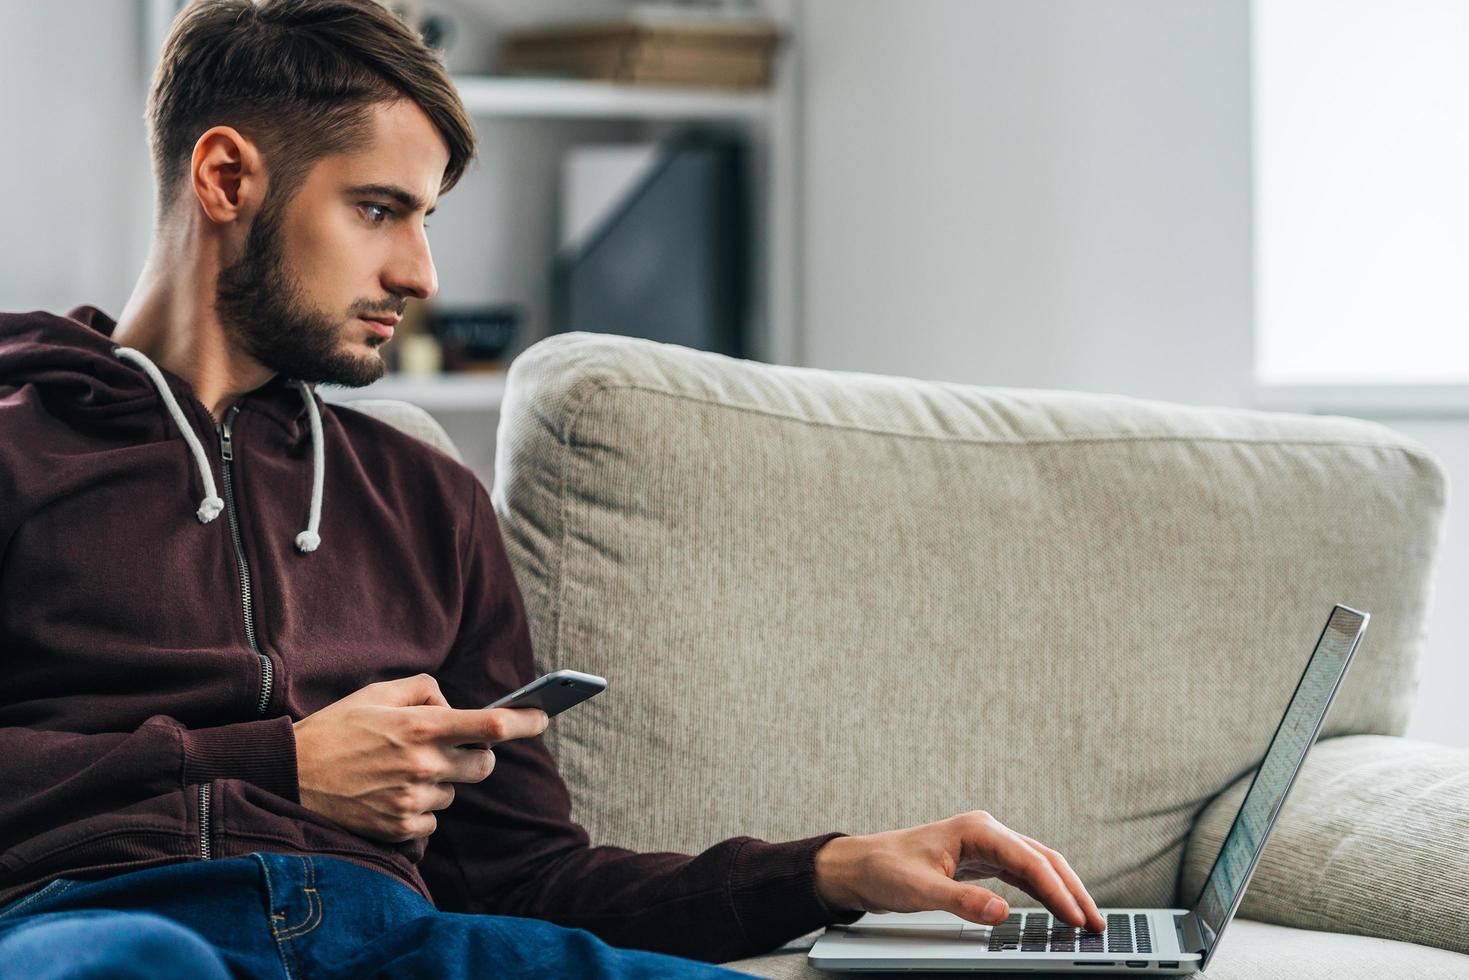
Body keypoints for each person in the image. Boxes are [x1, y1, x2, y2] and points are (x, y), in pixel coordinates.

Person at [0, 1, 1106, 976]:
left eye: (426, 220)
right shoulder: (21, 441)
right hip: (102, 921)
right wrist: (277, 761)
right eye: (379, 210)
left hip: (397, 940)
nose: (420, 274)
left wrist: (829, 869)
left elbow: (529, 878)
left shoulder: (426, 501)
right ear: (228, 177)